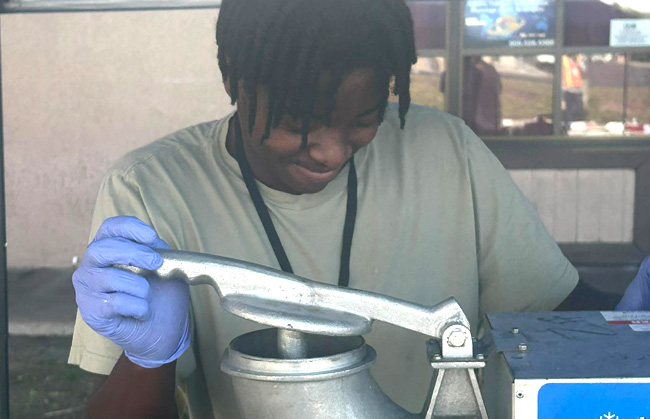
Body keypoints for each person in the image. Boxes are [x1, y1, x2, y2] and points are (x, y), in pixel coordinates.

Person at [68, 1, 650, 418]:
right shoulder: (152, 191)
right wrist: (150, 358)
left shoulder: (445, 152)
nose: (331, 152)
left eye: (364, 120)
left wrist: (627, 319)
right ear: (231, 81)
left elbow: (553, 320)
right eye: (298, 123)